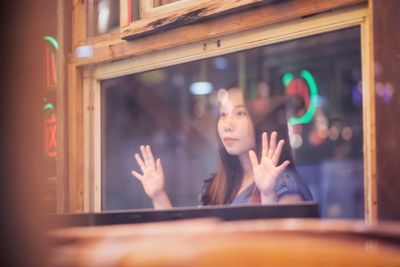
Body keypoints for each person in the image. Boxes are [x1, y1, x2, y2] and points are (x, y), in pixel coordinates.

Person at [131, 86, 312, 209]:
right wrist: (158, 195)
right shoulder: (215, 187)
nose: (227, 125)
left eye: (240, 113)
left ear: (262, 121)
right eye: (223, 114)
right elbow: (192, 248)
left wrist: (268, 193)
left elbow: (283, 254)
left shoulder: (285, 185)